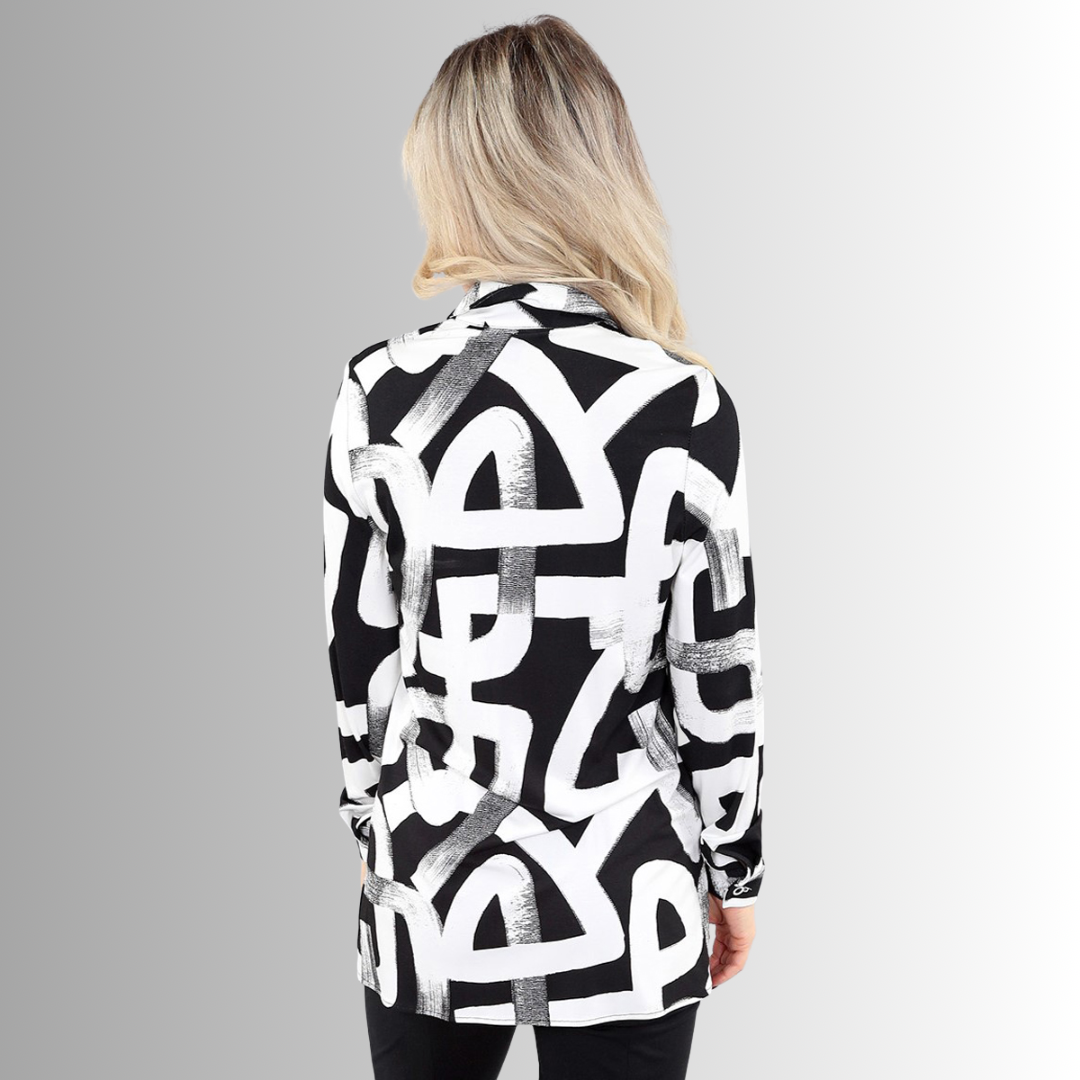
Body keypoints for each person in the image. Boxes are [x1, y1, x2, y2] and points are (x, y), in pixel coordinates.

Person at [322, 15, 765, 1080]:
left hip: (433, 886)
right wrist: (736, 871)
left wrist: (380, 833)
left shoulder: (380, 396)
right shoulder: (686, 405)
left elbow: (358, 665)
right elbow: (717, 675)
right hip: (628, 889)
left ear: (455, 179)